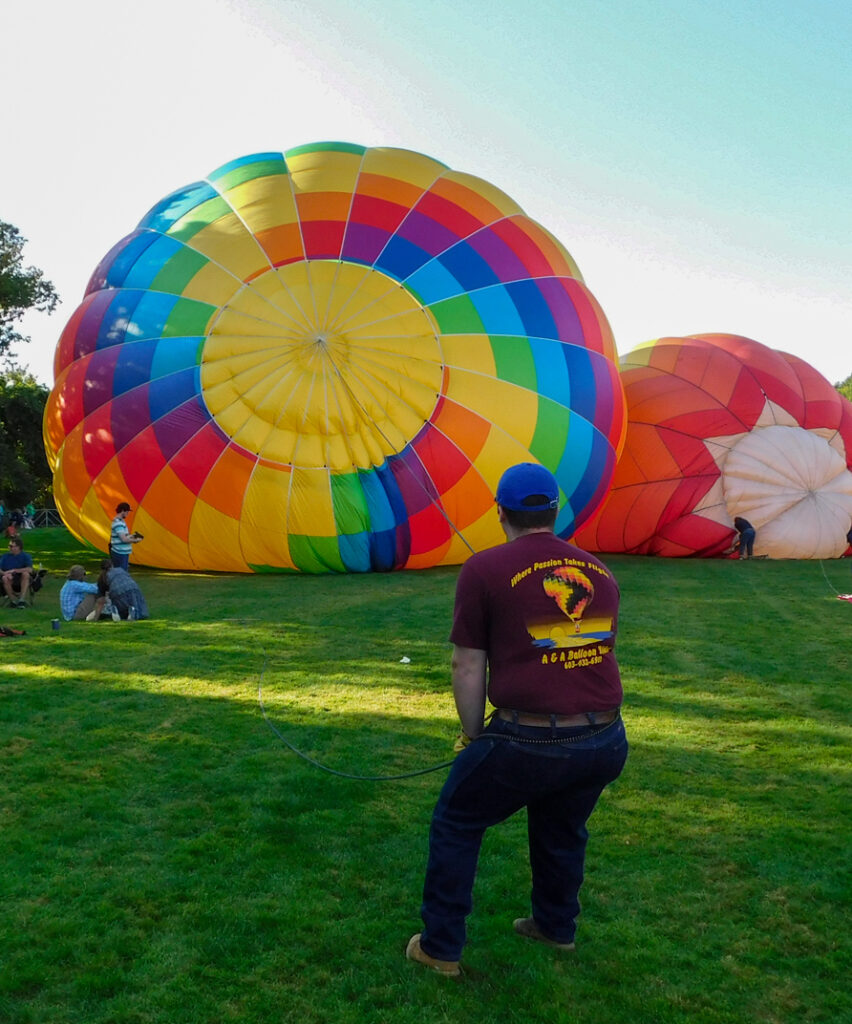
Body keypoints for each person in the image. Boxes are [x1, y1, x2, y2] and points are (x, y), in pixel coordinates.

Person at [406, 463, 628, 977]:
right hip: (604, 739)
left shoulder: (483, 569)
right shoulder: (599, 570)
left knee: (457, 820)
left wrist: (473, 734)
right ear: (555, 511)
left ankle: (439, 948)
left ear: (500, 511)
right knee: (562, 826)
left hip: (529, 737)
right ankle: (556, 928)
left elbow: (467, 663)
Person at [1, 537, 35, 607]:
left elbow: (30, 569)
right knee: (4, 578)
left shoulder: (25, 556)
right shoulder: (5, 556)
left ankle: (21, 600)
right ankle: (13, 601)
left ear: (18, 547)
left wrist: (15, 570)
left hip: (20, 579)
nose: (9, 548)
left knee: (25, 574)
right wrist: (5, 573)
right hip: (8, 578)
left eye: (11, 546)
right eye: (9, 546)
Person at [110, 502, 143, 570]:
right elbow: (124, 539)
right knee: (122, 574)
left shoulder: (121, 522)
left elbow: (124, 536)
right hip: (120, 553)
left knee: (120, 573)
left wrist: (132, 536)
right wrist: (135, 540)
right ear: (122, 511)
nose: (128, 514)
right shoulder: (118, 523)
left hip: (122, 552)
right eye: (127, 512)